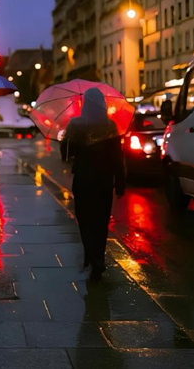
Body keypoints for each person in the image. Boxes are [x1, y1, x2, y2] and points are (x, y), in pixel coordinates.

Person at [65, 87, 125, 281]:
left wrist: (66, 139)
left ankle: (90, 256)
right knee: (101, 221)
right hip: (104, 181)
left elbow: (66, 155)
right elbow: (117, 157)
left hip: (83, 180)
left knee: (85, 220)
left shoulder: (75, 125)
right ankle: (98, 257)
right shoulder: (110, 126)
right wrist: (121, 181)